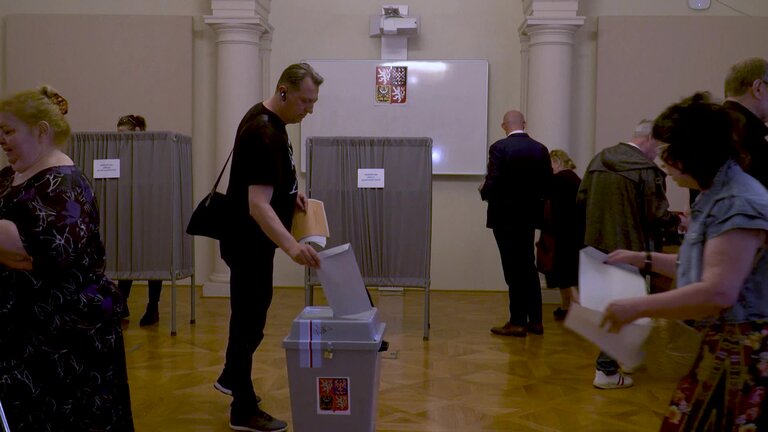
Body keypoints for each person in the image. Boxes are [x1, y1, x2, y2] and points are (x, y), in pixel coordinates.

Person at [601, 92, 768, 431]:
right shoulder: (715, 193)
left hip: (744, 352)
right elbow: (702, 267)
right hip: (722, 345)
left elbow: (718, 292)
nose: (662, 162)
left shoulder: (738, 201)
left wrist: (638, 307)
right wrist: (642, 258)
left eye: (667, 152)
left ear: (694, 153)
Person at [0, 86, 134, 430]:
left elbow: (28, 255)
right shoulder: (10, 176)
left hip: (65, 338)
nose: (2, 139)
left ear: (41, 131)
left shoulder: (65, 183)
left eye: (9, 130)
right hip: (25, 335)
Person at [214, 63, 323, 432]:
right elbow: (257, 204)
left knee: (251, 318)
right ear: (283, 91)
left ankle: (232, 377)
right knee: (248, 322)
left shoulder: (270, 121)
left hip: (250, 241)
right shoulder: (263, 131)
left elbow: (268, 182)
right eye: (305, 101)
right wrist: (293, 247)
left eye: (313, 102)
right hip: (249, 241)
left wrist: (292, 193)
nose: (309, 109)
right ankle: (241, 408)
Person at [577, 119, 680, 389]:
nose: (658, 154)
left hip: (595, 245)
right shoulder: (645, 170)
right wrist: (678, 223)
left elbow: (581, 200)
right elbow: (656, 215)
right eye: (658, 147)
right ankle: (607, 371)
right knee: (623, 307)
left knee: (610, 308)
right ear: (650, 140)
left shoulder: (599, 159)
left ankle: (616, 362)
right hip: (630, 250)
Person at [481, 110, 552, 337]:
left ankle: (517, 321)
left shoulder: (499, 148)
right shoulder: (540, 149)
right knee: (528, 267)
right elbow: (546, 185)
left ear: (504, 126)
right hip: (529, 218)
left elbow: (493, 182)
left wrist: (483, 191)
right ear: (525, 123)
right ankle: (536, 321)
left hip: (505, 218)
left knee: (512, 269)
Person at [115, 114, 162, 326]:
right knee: (127, 258)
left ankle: (153, 306)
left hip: (150, 212)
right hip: (128, 211)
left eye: (124, 134)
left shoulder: (153, 155)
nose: (120, 139)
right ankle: (121, 303)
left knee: (154, 261)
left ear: (137, 132)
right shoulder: (120, 155)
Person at [536, 149, 581, 321]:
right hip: (573, 232)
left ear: (555, 162)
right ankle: (566, 306)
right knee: (566, 273)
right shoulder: (574, 179)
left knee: (564, 273)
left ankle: (575, 308)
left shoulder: (559, 180)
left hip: (562, 234)